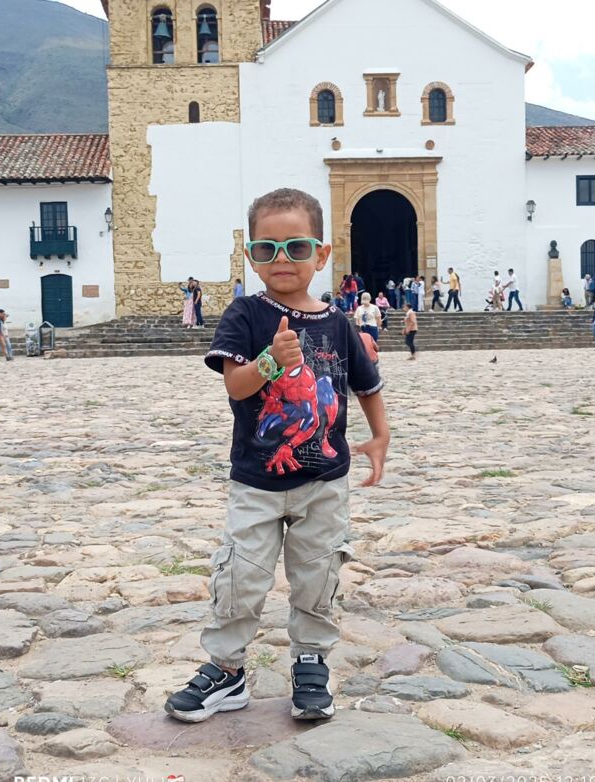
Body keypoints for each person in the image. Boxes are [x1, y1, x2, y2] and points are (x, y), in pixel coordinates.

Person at [164, 188, 389, 724]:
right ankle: (227, 669)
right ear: (251, 256)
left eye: (296, 246)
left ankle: (310, 661)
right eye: (267, 248)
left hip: (324, 482)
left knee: (317, 575)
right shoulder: (245, 314)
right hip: (256, 482)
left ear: (322, 253)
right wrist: (269, 360)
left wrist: (380, 436)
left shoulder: (339, 323)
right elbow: (236, 386)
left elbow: (366, 384)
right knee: (240, 575)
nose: (282, 259)